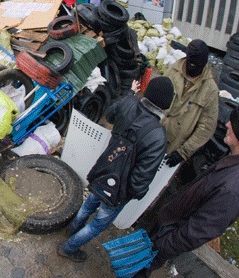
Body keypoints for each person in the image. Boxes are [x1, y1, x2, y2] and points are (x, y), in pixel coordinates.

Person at [136, 103, 239, 277]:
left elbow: (198, 231)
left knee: (139, 270)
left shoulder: (232, 189)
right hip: (168, 227)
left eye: (233, 123)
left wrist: (162, 245)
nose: (227, 124)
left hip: (167, 238)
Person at [58, 77, 174, 262]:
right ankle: (69, 248)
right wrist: (135, 194)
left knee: (89, 204)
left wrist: (130, 95)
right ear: (166, 106)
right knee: (97, 224)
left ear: (148, 92)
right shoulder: (158, 137)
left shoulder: (129, 102)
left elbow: (110, 116)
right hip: (119, 191)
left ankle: (71, 229)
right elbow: (142, 177)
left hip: (103, 169)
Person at [162, 39, 218, 170]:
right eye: (190, 63)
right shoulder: (174, 71)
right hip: (155, 135)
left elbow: (206, 127)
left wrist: (183, 152)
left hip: (175, 147)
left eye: (196, 65)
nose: (191, 67)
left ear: (204, 64)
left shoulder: (210, 89)